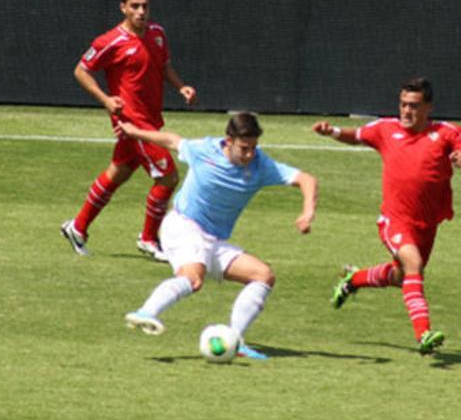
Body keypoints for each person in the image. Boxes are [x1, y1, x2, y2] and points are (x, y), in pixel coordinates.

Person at [119, 113, 318, 360]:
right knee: (193, 279)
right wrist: (134, 132)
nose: (249, 155)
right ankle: (146, 313)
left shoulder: (261, 165)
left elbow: (306, 179)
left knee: (263, 276)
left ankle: (235, 340)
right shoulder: (205, 150)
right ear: (229, 141)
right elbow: (171, 140)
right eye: (244, 148)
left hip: (213, 240)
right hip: (183, 226)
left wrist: (307, 211)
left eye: (254, 148)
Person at [312, 77, 461, 355]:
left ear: (428, 107)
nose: (406, 111)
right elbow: (357, 136)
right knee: (414, 265)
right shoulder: (385, 129)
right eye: (403, 104)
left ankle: (354, 279)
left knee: (402, 276)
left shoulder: (447, 133)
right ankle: (424, 335)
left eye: (414, 106)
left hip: (427, 224)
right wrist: (330, 131)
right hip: (395, 219)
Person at [61, 0, 197, 261]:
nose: (140, 11)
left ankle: (78, 227)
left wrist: (180, 86)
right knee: (168, 176)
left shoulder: (157, 33)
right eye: (134, 6)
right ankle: (148, 239)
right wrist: (107, 100)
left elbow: (164, 65)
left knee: (118, 172)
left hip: (151, 120)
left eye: (144, 6)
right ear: (123, 8)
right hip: (133, 124)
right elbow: (81, 70)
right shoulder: (110, 41)